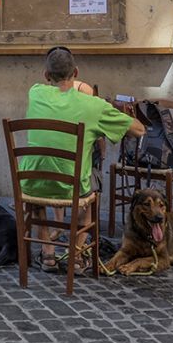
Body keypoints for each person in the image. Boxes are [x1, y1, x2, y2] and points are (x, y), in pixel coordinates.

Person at [18, 46, 143, 273]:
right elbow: (139, 130)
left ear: (46, 76)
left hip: (31, 183)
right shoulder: (94, 106)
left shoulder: (35, 92)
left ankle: (48, 255)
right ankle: (75, 256)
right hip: (71, 188)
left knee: (37, 196)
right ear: (76, 72)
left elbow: (56, 88)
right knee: (93, 188)